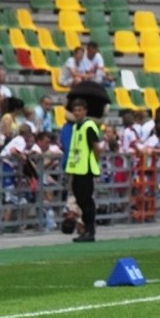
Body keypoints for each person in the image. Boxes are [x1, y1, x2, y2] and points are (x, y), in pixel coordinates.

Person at [64, 98, 101, 242]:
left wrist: (94, 163)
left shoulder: (88, 126)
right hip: (77, 170)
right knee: (80, 201)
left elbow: (96, 147)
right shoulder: (75, 127)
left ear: (85, 111)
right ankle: (86, 229)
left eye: (80, 110)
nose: (77, 113)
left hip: (86, 170)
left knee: (87, 202)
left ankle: (90, 230)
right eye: (75, 110)